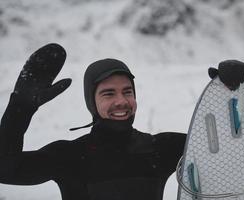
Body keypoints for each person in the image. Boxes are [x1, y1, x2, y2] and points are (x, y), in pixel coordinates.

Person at [0, 43, 186, 200]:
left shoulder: (159, 149)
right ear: (92, 103)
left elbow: (212, 147)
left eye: (127, 92)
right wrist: (20, 108)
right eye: (108, 93)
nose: (121, 101)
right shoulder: (69, 156)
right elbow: (5, 169)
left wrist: (216, 91)